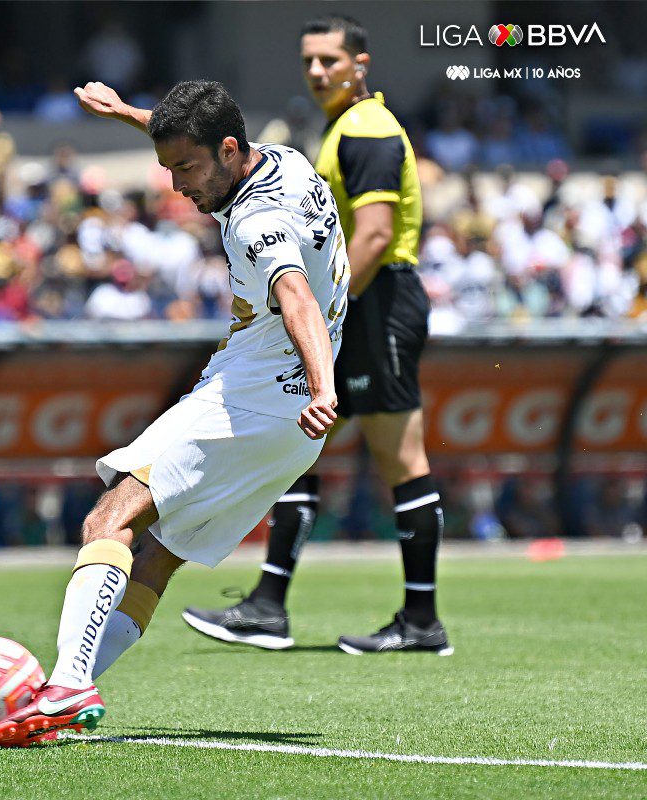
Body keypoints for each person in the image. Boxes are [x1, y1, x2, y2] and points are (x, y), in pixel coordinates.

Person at [0, 79, 348, 747]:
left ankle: (66, 684)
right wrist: (128, 112)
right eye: (169, 167)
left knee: (110, 515)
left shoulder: (254, 221)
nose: (178, 186)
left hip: (253, 398)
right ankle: (60, 693)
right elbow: (195, 132)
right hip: (289, 431)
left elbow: (294, 296)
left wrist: (327, 386)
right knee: (154, 558)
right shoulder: (286, 163)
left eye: (186, 168)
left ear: (230, 151)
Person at [181, 15, 450, 656]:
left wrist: (328, 309)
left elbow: (378, 235)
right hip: (360, 304)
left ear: (362, 63)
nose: (317, 71)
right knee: (299, 436)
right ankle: (268, 608)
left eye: (331, 60)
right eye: (309, 61)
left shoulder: (367, 130)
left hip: (376, 302)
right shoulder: (343, 129)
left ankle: (421, 624)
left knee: (400, 457)